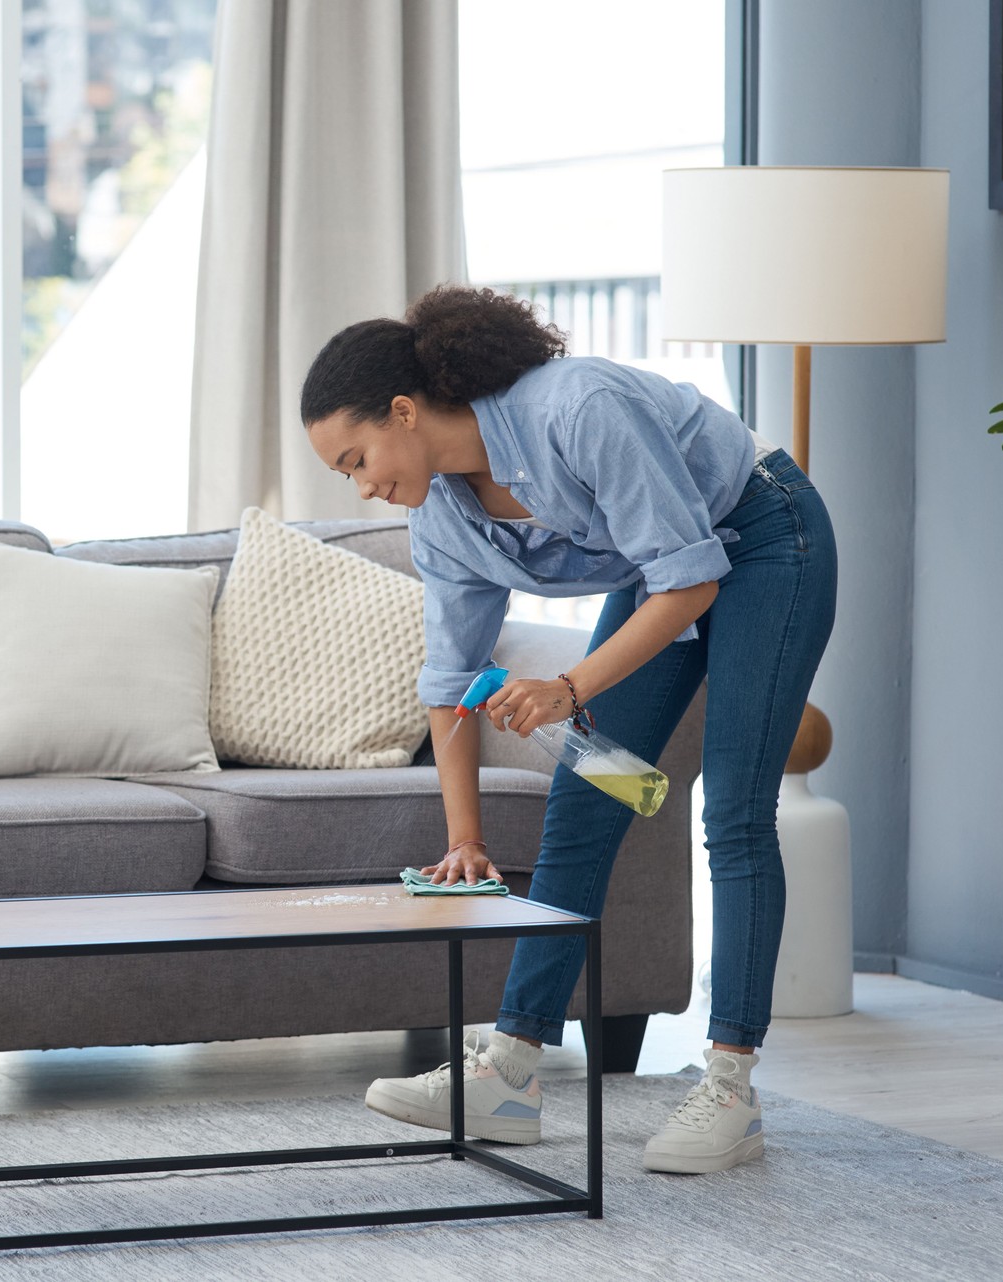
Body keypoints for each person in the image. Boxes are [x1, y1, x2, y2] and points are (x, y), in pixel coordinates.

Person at [299, 285, 836, 1174]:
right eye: (344, 476)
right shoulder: (440, 516)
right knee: (591, 798)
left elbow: (693, 584)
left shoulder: (577, 410)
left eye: (358, 458)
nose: (362, 488)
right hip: (662, 569)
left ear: (402, 412)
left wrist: (569, 686)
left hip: (763, 536)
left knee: (736, 812)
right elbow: (452, 685)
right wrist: (464, 837)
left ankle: (731, 1090)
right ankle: (509, 1070)